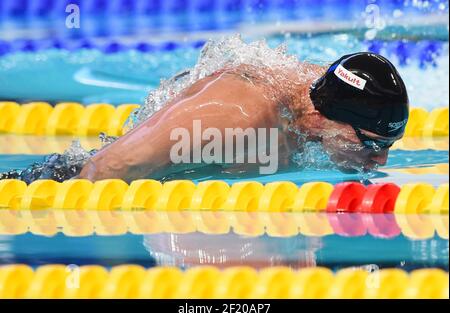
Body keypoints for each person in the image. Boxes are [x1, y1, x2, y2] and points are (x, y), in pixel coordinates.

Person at [1, 51, 409, 183]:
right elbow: (103, 169)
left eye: (389, 145)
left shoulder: (316, 100)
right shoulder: (234, 118)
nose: (381, 160)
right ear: (327, 119)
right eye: (372, 143)